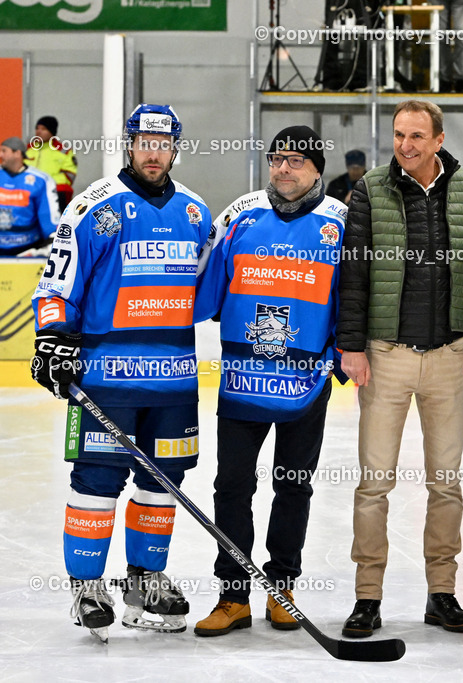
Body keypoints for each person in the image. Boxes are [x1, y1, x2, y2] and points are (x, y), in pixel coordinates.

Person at [30, 104, 212, 642]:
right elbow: (54, 285)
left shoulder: (198, 212)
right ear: (129, 144)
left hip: (175, 378)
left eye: (163, 142)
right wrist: (53, 340)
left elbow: (215, 290)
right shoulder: (93, 207)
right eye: (143, 141)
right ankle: (87, 585)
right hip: (107, 378)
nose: (153, 151)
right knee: (97, 480)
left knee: (165, 481)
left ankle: (145, 578)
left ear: (175, 147)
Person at [336, 100, 463, 636]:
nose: (406, 144)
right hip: (385, 356)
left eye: (418, 135)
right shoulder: (370, 189)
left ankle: (441, 593)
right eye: (400, 134)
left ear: (439, 139)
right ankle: (367, 597)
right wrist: (351, 344)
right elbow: (352, 272)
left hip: (447, 356)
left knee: (446, 483)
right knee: (374, 484)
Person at [191, 126, 348, 636]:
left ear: (317, 170)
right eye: (277, 159)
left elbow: (356, 296)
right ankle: (232, 596)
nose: (283, 168)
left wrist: (348, 353)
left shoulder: (339, 222)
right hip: (243, 377)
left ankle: (283, 587)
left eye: (296, 161)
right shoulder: (240, 213)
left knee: (292, 486)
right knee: (231, 485)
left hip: (305, 379)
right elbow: (201, 277)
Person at [0, 136, 58, 256]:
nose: (0, 155)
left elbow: (49, 216)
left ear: (17, 153)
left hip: (27, 250)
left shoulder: (41, 180)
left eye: (4, 151)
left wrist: (52, 241)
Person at [25, 116, 78, 212]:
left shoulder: (63, 150)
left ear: (52, 132)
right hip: (30, 191)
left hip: (54, 193)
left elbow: (70, 175)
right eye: (37, 128)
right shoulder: (28, 149)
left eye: (43, 129)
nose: (38, 132)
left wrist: (47, 184)